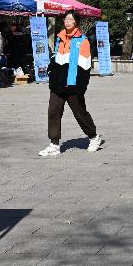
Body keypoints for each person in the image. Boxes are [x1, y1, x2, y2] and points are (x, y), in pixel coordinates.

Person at [40, 10, 105, 157]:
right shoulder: (59, 38)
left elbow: (85, 66)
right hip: (57, 84)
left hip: (74, 85)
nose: (67, 21)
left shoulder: (83, 41)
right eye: (66, 19)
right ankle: (54, 144)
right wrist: (51, 72)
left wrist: (81, 87)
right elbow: (56, 58)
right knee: (53, 111)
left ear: (76, 22)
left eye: (71, 19)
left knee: (80, 113)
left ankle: (94, 137)